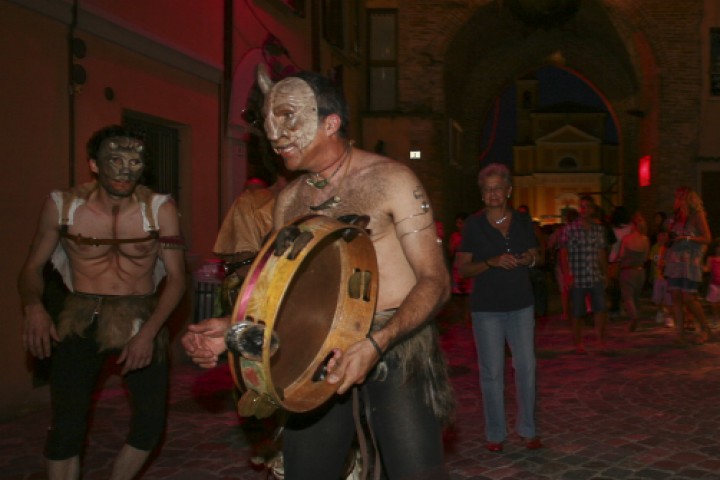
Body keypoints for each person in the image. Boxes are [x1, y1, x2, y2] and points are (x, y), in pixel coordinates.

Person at [182, 68, 454, 479]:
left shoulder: (392, 180)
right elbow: (283, 297)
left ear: (330, 123)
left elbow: (436, 282)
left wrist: (376, 346)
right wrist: (231, 330)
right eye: (270, 122)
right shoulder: (289, 202)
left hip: (395, 345)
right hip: (315, 352)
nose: (276, 135)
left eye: (289, 117)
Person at [18, 125, 186, 480]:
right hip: (80, 317)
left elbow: (176, 279)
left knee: (151, 421)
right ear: (94, 164)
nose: (125, 170)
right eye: (115, 160)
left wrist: (149, 332)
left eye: (135, 161)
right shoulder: (62, 207)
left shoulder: (159, 210)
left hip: (140, 316)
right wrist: (34, 306)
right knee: (67, 423)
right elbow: (31, 268)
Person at [455, 163, 542, 453]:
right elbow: (463, 269)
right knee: (492, 371)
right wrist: (490, 262)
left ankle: (528, 428)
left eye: (498, 188)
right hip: (487, 308)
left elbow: (535, 255)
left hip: (521, 304)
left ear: (508, 191)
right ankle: (495, 433)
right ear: (482, 194)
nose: (493, 193)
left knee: (526, 366)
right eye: (487, 189)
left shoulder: (522, 221)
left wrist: (528, 259)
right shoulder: (473, 225)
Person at [559, 195, 609, 354]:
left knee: (600, 309)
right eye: (581, 206)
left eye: (586, 206)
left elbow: (601, 252)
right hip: (578, 275)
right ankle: (578, 342)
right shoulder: (570, 229)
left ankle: (600, 340)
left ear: (593, 209)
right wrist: (567, 274)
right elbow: (563, 253)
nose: (583, 209)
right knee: (577, 312)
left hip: (594, 274)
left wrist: (605, 272)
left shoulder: (598, 229)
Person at [664, 186, 713, 344]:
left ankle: (705, 328)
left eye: (679, 197)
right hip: (675, 261)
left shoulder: (696, 216)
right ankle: (680, 333)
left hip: (689, 262)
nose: (675, 200)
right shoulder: (676, 217)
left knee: (689, 297)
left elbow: (707, 238)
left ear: (686, 199)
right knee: (676, 296)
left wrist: (687, 239)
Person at [618, 212, 650, 332]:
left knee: (628, 297)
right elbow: (646, 258)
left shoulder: (627, 239)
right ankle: (637, 318)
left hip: (627, 271)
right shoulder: (645, 239)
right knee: (636, 297)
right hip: (640, 271)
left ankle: (633, 317)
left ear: (632, 224)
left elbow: (621, 255)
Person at [547, 208, 579, 322]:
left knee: (564, 290)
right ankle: (576, 310)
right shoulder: (578, 231)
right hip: (576, 263)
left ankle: (566, 312)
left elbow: (550, 245)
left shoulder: (560, 231)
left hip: (561, 263)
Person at [517, 204, 548, 318]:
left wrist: (542, 257)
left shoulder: (533, 227)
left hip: (534, 263)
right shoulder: (516, 228)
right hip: (523, 263)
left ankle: (540, 311)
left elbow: (542, 243)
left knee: (538, 287)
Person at [650, 230, 674, 328]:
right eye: (659, 236)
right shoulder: (654, 248)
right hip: (657, 276)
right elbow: (652, 263)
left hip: (667, 277)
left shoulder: (670, 248)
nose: (660, 238)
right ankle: (660, 311)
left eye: (663, 236)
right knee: (658, 298)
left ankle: (668, 316)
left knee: (668, 298)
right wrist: (651, 276)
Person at [449, 211, 472, 295]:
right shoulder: (454, 236)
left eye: (461, 223)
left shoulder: (473, 235)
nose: (459, 225)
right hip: (457, 267)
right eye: (458, 223)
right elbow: (451, 252)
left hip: (470, 266)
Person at [704, 240, 720, 327]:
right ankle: (716, 318)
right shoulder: (711, 258)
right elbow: (707, 269)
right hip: (714, 284)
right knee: (713, 302)